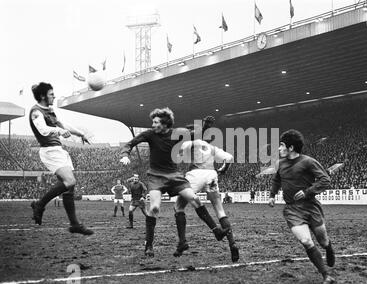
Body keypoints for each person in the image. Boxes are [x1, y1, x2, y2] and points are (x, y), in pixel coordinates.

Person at [119, 108, 228, 257]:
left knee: (194, 199)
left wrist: (205, 127)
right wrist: (125, 155)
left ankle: (217, 232)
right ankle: (149, 245)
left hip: (174, 175)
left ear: (165, 124)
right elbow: (130, 144)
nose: (153, 124)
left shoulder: (176, 133)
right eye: (153, 121)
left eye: (156, 122)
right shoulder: (150, 134)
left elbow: (194, 135)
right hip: (156, 176)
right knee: (155, 208)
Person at [268, 129, 336, 284]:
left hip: (311, 207)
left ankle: (328, 247)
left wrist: (307, 191)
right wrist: (272, 195)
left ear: (291, 148)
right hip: (292, 209)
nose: (279, 149)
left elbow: (325, 180)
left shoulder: (308, 162)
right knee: (306, 241)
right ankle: (326, 275)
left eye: (281, 145)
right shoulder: (281, 163)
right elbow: (277, 180)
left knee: (323, 240)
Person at [29, 82, 93, 235]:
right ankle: (40, 204)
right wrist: (58, 131)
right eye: (51, 94)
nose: (54, 96)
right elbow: (43, 130)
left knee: (69, 189)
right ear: (43, 96)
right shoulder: (36, 112)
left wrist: (80, 133)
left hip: (59, 150)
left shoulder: (49, 110)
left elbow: (63, 125)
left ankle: (74, 224)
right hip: (50, 151)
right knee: (70, 181)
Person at [173, 120, 239, 262]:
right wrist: (223, 170)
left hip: (195, 175)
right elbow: (230, 158)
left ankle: (182, 241)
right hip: (211, 174)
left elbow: (179, 151)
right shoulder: (212, 148)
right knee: (219, 210)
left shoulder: (189, 144)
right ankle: (232, 243)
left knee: (178, 207)